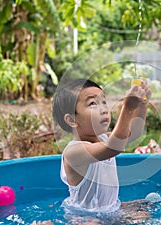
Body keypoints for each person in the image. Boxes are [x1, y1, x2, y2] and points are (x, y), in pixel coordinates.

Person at [52, 78, 152, 224]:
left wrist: (142, 105)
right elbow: (114, 147)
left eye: (104, 102)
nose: (104, 109)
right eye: (93, 103)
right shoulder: (73, 152)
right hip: (84, 217)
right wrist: (128, 108)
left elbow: (134, 133)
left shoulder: (104, 138)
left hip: (110, 210)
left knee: (145, 213)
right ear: (72, 120)